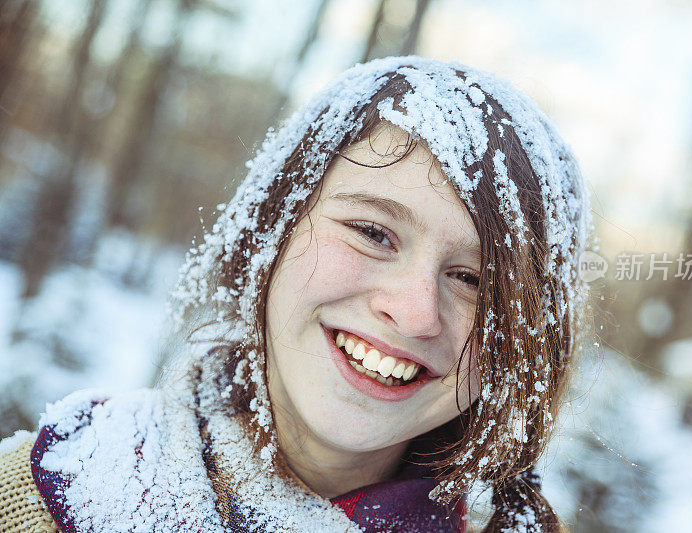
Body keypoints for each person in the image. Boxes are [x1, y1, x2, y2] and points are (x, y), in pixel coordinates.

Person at [0, 56, 591, 532]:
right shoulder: (36, 497)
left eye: (473, 282)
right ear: (272, 229)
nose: (413, 314)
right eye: (373, 233)